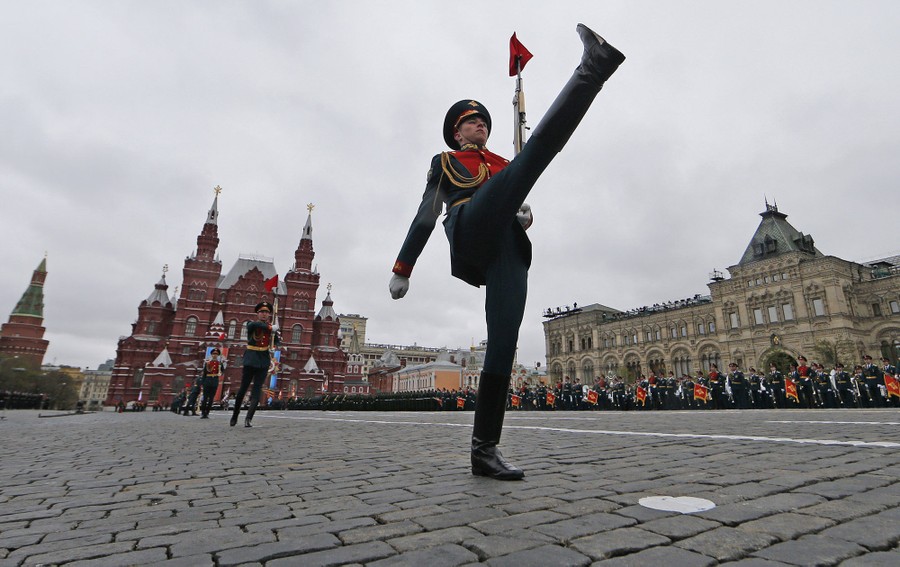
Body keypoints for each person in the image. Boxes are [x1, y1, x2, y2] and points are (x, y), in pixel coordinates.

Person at [388, 24, 624, 479]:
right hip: (469, 228)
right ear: (457, 133)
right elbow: (425, 213)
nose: (481, 126)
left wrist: (519, 212)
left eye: (485, 123)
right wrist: (404, 267)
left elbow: (515, 198)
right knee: (534, 156)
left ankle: (484, 450)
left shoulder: (501, 164)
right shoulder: (447, 162)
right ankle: (593, 68)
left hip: (508, 247)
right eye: (472, 122)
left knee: (505, 341)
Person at [231, 301, 280, 427]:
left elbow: (277, 341)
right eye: (262, 312)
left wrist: (274, 344)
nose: (264, 314)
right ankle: (235, 414)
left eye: (267, 312)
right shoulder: (252, 324)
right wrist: (271, 328)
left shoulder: (271, 329)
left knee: (257, 390)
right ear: (257, 314)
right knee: (243, 389)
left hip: (263, 360)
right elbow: (256, 326)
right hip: (251, 358)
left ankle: (249, 418)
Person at [200, 347, 225, 419]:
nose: (215, 355)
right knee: (205, 398)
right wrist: (202, 383)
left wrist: (221, 373)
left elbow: (222, 372)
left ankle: (207, 413)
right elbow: (204, 373)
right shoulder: (208, 363)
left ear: (218, 355)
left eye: (216, 354)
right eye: (213, 354)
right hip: (207, 381)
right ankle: (203, 413)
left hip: (214, 381)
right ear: (211, 355)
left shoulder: (219, 363)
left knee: (211, 398)